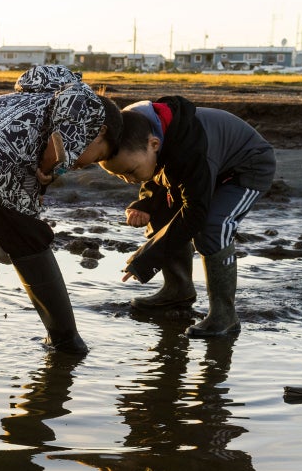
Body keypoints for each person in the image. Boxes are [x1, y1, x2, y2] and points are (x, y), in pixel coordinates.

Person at [0, 65, 121, 357]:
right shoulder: (89, 104)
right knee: (29, 240)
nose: (81, 166)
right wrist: (48, 171)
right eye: (93, 159)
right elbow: (55, 148)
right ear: (100, 134)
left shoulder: (17, 100)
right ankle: (65, 339)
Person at [97, 97, 275, 338]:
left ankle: (224, 317)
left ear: (154, 144)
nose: (129, 180)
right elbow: (162, 174)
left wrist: (147, 257)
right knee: (159, 212)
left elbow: (195, 214)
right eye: (120, 176)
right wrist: (146, 202)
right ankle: (178, 291)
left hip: (245, 168)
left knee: (213, 226)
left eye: (130, 171)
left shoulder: (190, 148)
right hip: (204, 171)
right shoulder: (138, 128)